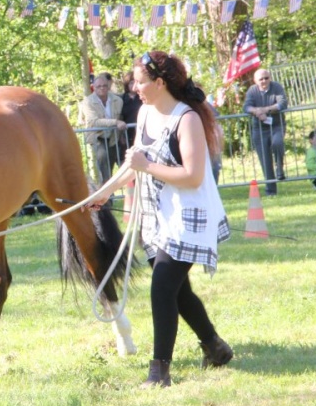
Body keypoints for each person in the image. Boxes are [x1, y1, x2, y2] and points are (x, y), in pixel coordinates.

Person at [90, 51, 233, 388]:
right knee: (178, 290)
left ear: (159, 82)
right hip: (156, 217)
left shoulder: (187, 120)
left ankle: (159, 372)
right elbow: (133, 163)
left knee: (162, 288)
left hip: (188, 217)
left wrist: (146, 167)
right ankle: (215, 347)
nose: (133, 88)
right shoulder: (144, 113)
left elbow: (193, 175)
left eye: (139, 82)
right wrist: (104, 193)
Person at [243, 69, 288, 196]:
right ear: (255, 81)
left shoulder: (277, 87)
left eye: (266, 78)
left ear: (270, 77)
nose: (264, 81)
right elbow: (246, 107)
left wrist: (266, 110)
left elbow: (283, 103)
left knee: (277, 143)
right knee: (265, 160)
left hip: (277, 125)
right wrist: (256, 112)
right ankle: (271, 191)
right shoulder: (252, 90)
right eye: (261, 79)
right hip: (259, 129)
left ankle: (280, 168)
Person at [77, 72, 126, 184]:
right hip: (98, 138)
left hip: (114, 138)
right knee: (105, 171)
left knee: (125, 167)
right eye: (99, 86)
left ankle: (130, 195)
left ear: (108, 86)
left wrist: (121, 133)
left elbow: (122, 116)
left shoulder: (118, 100)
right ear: (94, 87)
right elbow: (94, 122)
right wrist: (115, 122)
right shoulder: (87, 102)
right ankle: (107, 199)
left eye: (104, 85)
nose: (102, 88)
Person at [120, 71, 143, 150]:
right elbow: (119, 116)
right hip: (127, 132)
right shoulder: (121, 99)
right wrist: (121, 135)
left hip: (141, 131)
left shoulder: (143, 97)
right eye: (131, 83)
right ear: (127, 85)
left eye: (135, 83)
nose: (134, 86)